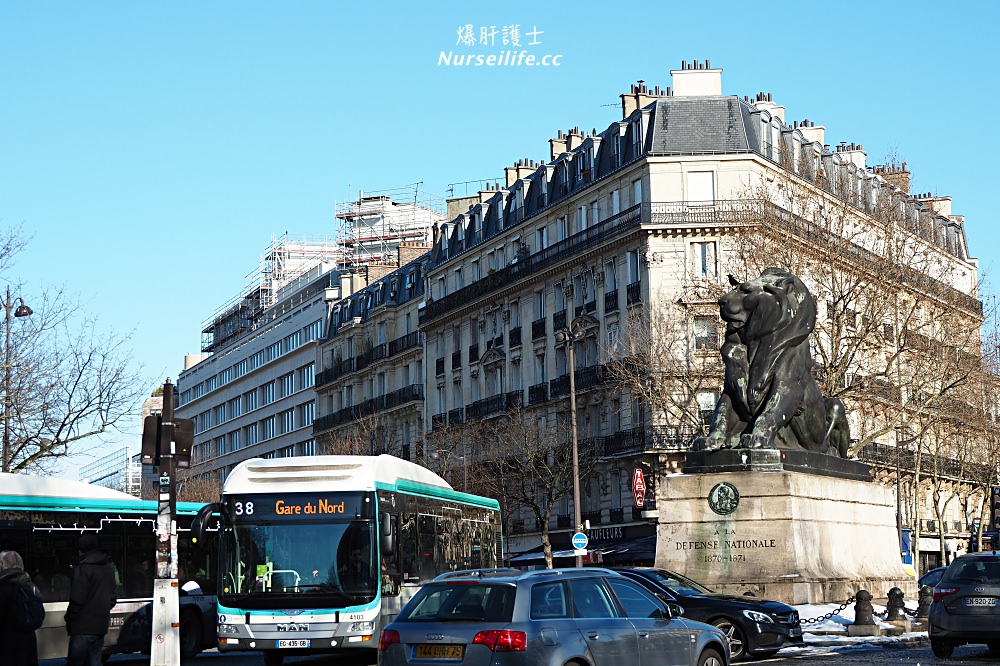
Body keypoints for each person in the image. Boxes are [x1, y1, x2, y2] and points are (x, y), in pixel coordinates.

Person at [65, 534, 117, 666]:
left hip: (81, 627)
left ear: (81, 549)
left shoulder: (82, 569)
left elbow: (77, 599)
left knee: (76, 662)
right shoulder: (108, 569)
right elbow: (113, 599)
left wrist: (69, 618)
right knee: (95, 661)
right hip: (100, 625)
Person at [0, 549, 40, 666]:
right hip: (29, 644)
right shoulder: (30, 586)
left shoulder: (3, 587)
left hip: (7, 645)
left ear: (2, 565)